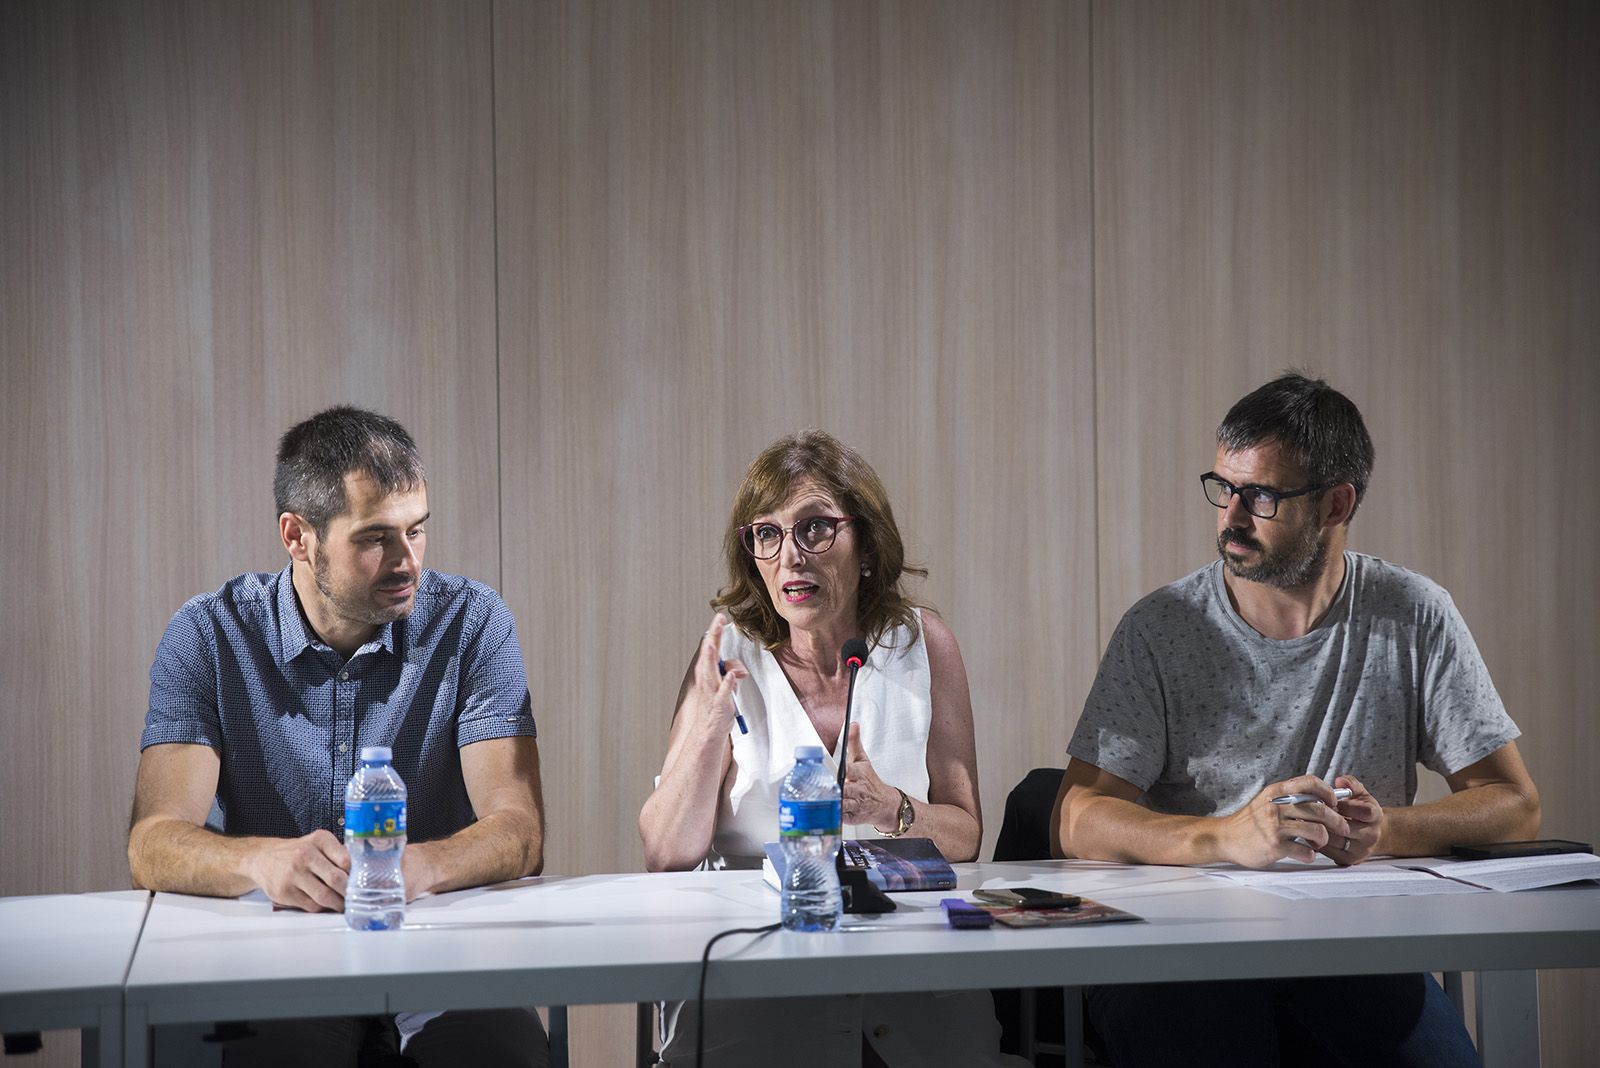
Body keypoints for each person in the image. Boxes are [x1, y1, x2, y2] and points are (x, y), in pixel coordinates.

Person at [1056, 373, 1540, 1067]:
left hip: (1351, 946)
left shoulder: (1412, 613)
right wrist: (1226, 836)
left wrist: (1385, 831)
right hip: (1180, 947)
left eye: (1261, 496)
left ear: (1335, 503)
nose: (1231, 516)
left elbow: (1516, 806)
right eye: (1223, 488)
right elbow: (1076, 816)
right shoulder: (1162, 627)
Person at [127, 406, 549, 1067]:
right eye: (375, 538)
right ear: (298, 537)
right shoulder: (208, 636)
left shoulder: (473, 624)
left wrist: (422, 868)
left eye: (417, 531)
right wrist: (260, 863)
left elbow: (519, 828)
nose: (407, 561)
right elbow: (152, 844)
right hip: (277, 958)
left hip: (435, 951)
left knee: (505, 1052)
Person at [639, 429, 1024, 1068]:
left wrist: (889, 806)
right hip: (757, 989)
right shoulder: (729, 655)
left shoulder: (923, 644)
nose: (791, 556)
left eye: (815, 528)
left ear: (866, 545)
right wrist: (708, 734)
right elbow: (664, 852)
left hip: (910, 981)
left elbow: (964, 835)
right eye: (766, 534)